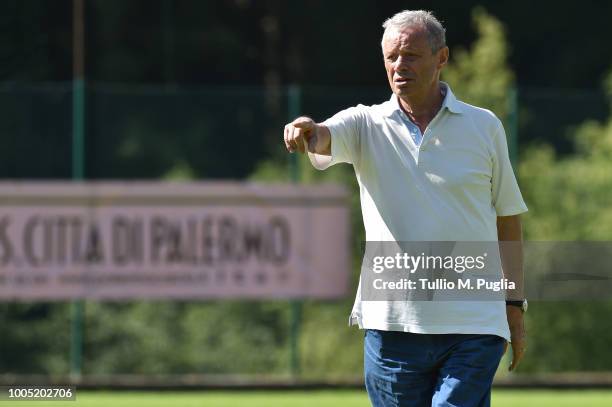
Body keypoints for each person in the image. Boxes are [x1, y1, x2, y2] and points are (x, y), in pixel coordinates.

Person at [283, 9, 527, 407]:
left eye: (411, 55)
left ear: (442, 58)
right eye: (391, 57)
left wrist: (514, 305)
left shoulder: (485, 127)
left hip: (474, 324)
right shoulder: (365, 123)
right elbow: (324, 136)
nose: (399, 66)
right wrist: (309, 129)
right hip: (392, 325)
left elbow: (508, 219)